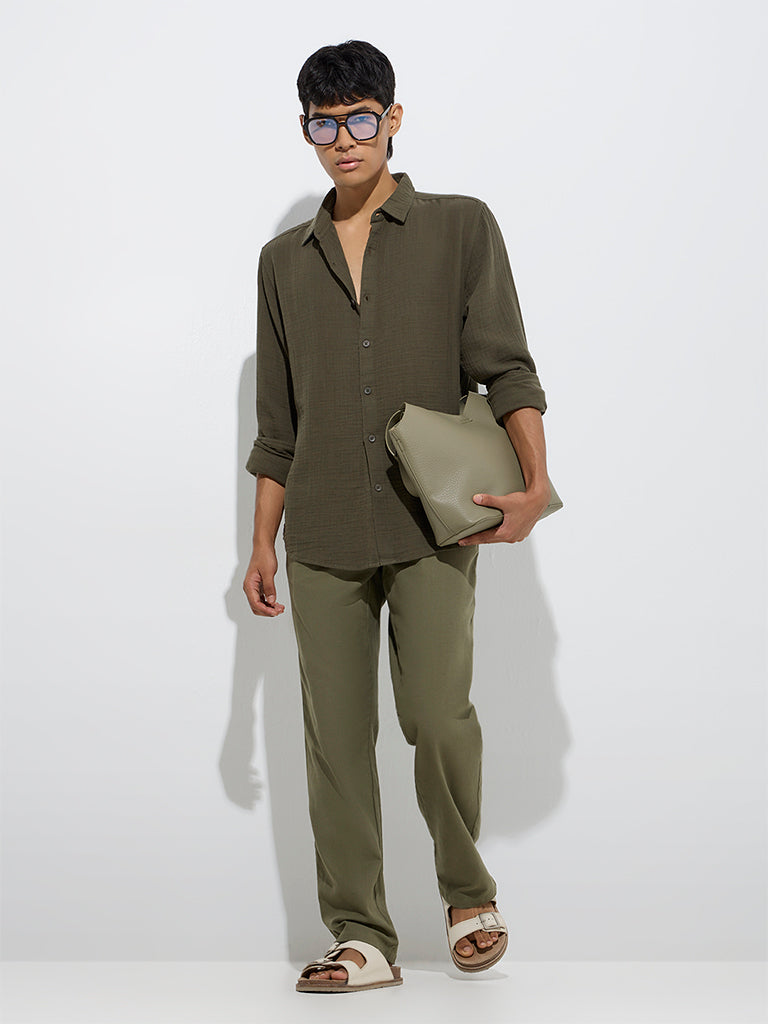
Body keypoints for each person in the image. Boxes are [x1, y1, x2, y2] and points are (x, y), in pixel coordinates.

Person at [243, 39, 551, 993]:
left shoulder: (461, 226)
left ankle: (467, 895)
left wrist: (534, 485)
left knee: (435, 714)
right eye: (324, 124)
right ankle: (363, 936)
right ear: (306, 131)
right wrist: (260, 539)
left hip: (430, 525)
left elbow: (507, 367)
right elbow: (278, 425)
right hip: (322, 528)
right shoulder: (281, 263)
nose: (344, 139)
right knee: (335, 741)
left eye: (361, 118)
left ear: (394, 119)